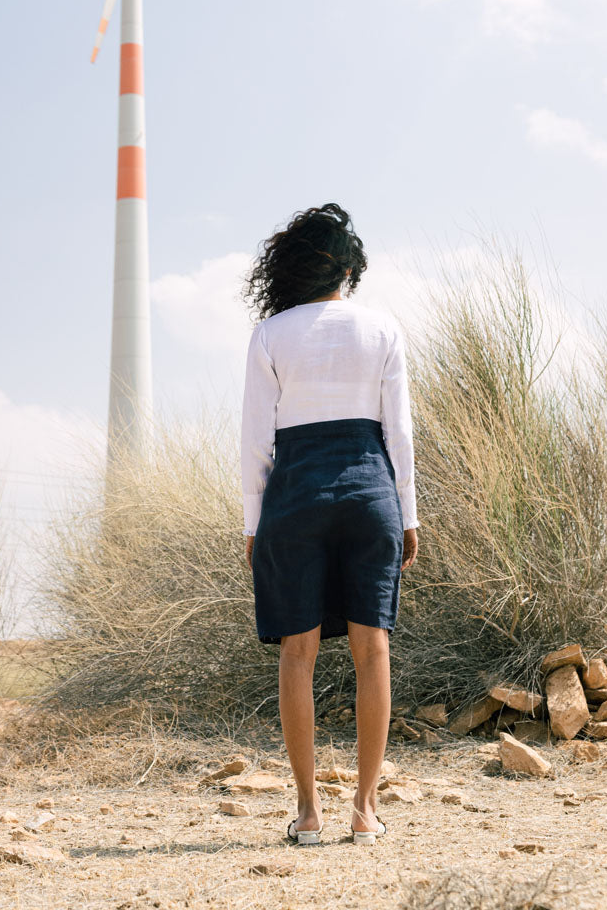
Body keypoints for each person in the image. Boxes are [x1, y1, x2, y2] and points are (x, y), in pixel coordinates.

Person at [240, 202, 418, 846]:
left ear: (291, 266)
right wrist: (409, 514)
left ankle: (309, 812)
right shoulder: (382, 328)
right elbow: (399, 433)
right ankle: (366, 811)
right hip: (372, 493)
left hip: (295, 498)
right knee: (374, 650)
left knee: (298, 652)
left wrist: (253, 526)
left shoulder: (270, 334)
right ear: (349, 267)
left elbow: (256, 443)